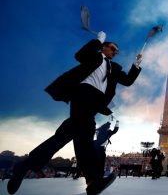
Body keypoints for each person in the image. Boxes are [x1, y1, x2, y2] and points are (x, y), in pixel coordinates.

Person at [7, 31, 142, 195]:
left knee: (71, 135)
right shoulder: (94, 57)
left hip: (94, 101)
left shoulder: (113, 68)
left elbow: (127, 81)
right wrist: (98, 40)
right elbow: (80, 55)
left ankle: (26, 165)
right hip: (82, 94)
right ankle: (93, 181)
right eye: (112, 48)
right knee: (85, 135)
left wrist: (136, 65)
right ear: (103, 48)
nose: (115, 52)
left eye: (117, 51)